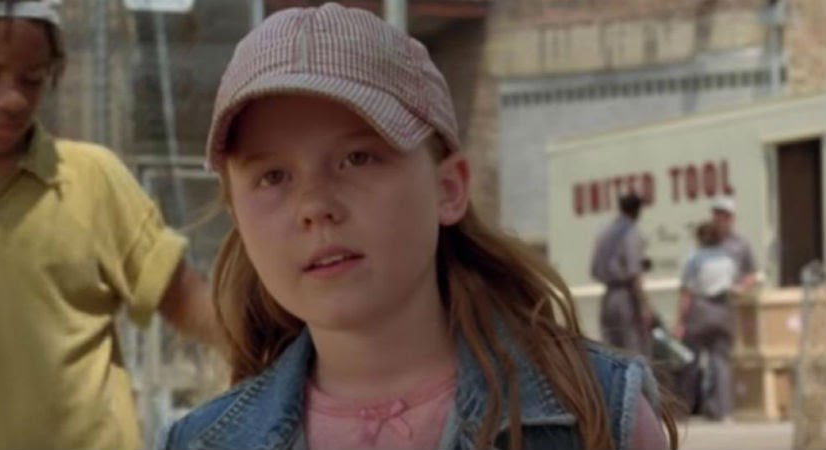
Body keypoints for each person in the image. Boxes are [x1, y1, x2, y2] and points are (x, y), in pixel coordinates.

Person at [161, 4, 677, 450]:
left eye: (357, 158)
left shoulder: (592, 415)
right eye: (273, 177)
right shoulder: (202, 441)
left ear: (448, 188)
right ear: (238, 218)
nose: (314, 206)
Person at [0, 2, 222, 449]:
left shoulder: (91, 180)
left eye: (32, 79)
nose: (12, 99)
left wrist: (288, 343)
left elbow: (186, 300)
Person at [673, 222, 738, 421]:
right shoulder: (728, 258)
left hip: (700, 310)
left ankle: (685, 407)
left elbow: (687, 292)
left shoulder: (694, 258)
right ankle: (723, 410)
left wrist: (680, 321)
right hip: (722, 309)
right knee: (720, 361)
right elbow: (734, 283)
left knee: (690, 360)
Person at [590, 193, 654, 355]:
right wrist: (645, 306)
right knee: (633, 350)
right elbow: (634, 273)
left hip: (608, 296)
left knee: (612, 350)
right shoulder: (631, 232)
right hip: (626, 297)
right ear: (637, 210)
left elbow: (595, 269)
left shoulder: (604, 232)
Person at [711, 196, 757, 289]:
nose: (720, 219)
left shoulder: (742, 243)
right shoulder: (705, 242)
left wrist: (745, 285)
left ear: (732, 218)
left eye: (725, 216)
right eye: (717, 215)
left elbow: (751, 272)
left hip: (734, 293)